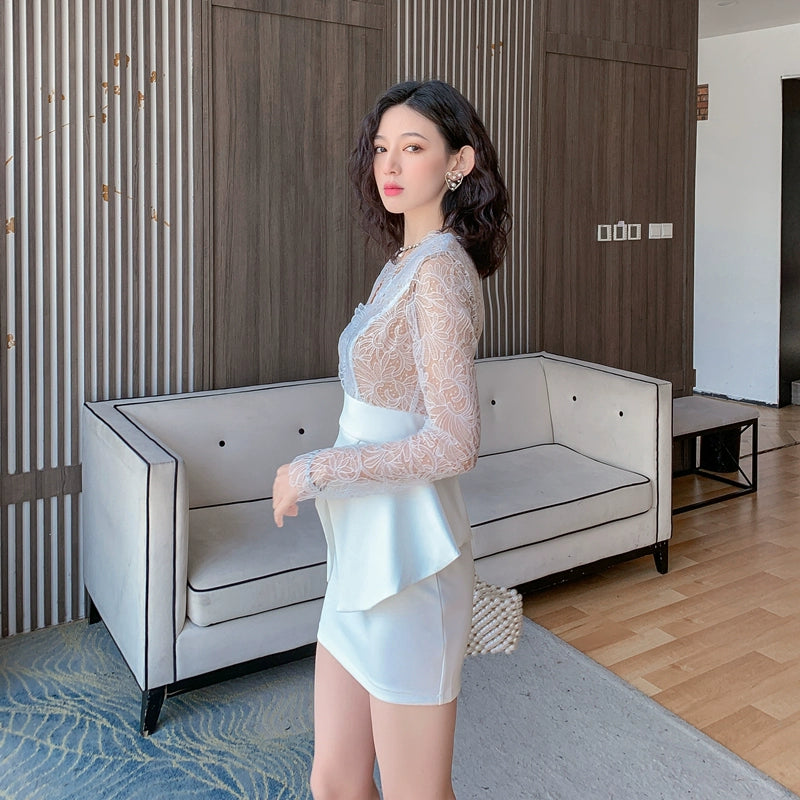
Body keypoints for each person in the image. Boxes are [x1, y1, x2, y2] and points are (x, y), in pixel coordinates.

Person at [272, 79, 510, 800]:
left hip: (410, 562)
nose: (391, 166)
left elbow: (454, 443)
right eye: (382, 149)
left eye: (413, 147)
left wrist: (316, 469)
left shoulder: (438, 271)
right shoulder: (404, 263)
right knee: (335, 780)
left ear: (459, 162)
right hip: (361, 551)